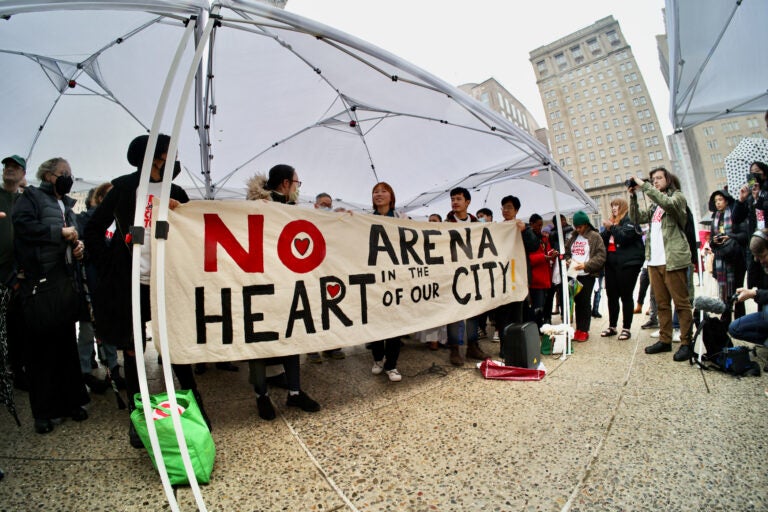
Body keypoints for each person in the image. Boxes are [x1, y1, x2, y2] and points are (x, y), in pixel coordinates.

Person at [83, 134, 209, 446]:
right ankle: (139, 417)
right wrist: (111, 264)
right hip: (131, 283)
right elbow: (93, 230)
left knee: (174, 344)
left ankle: (198, 406)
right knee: (133, 348)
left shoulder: (176, 191)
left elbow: (198, 230)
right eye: (169, 155)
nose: (174, 161)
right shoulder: (124, 188)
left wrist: (180, 213)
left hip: (167, 281)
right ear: (153, 158)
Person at [13, 157, 89, 434]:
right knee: (41, 351)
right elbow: (22, 227)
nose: (68, 177)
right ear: (47, 175)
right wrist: (58, 232)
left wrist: (78, 247)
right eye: (63, 173)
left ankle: (71, 402)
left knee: (65, 346)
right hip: (40, 283)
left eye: (70, 172)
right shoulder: (31, 197)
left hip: (64, 280)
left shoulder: (67, 206)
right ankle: (44, 412)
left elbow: (72, 237)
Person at [245, 164, 320, 419]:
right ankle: (261, 395)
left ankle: (295, 392)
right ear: (286, 184)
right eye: (298, 183)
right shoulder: (254, 207)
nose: (299, 188)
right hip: (260, 285)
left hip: (288, 284)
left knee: (292, 337)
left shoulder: (292, 211)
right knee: (258, 341)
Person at [628, 167, 693, 361]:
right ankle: (665, 340)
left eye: (658, 178)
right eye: (652, 179)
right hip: (654, 260)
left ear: (668, 179)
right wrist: (633, 197)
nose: (655, 181)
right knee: (662, 303)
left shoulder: (677, 198)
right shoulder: (654, 206)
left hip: (672, 259)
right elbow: (637, 218)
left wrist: (644, 185)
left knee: (681, 303)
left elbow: (667, 202)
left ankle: (686, 343)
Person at [76, 183, 121, 393]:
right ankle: (84, 372)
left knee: (109, 328)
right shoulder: (88, 219)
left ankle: (113, 369)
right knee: (87, 331)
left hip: (108, 283)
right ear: (101, 198)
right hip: (90, 283)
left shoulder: (117, 220)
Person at [444, 187, 489, 365]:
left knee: (473, 313)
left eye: (458, 199)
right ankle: (454, 348)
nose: (455, 202)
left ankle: (472, 346)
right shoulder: (444, 225)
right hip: (453, 276)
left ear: (467, 202)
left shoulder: (477, 225)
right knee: (454, 314)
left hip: (473, 275)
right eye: (452, 199)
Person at [368, 182, 406, 381]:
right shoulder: (365, 219)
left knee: (395, 324)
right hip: (375, 281)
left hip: (396, 279)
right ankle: (377, 358)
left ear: (391, 196)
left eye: (383, 191)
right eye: (375, 192)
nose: (379, 194)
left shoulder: (402, 219)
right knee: (376, 322)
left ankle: (391, 364)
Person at [305, 192, 346, 363]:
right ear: (315, 205)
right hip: (313, 274)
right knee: (312, 311)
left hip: (332, 272)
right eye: (323, 204)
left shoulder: (334, 223)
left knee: (332, 310)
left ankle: (332, 346)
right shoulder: (307, 220)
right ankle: (312, 348)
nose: (326, 207)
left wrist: (347, 218)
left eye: (329, 205)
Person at [599, 198, 645, 340]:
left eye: (617, 205)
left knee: (626, 295)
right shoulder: (612, 221)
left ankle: (626, 328)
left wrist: (611, 227)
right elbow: (603, 240)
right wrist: (609, 227)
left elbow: (624, 237)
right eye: (612, 205)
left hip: (628, 264)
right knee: (611, 296)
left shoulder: (629, 219)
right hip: (612, 263)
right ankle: (612, 326)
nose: (614, 208)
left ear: (623, 207)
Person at [1, 155, 27, 391]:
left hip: (18, 275)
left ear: (23, 174)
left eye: (15, 167)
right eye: (7, 166)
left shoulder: (25, 200)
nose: (9, 169)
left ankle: (17, 371)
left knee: (16, 325)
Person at [492, 195, 533, 344]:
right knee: (502, 315)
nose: (506, 210)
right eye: (504, 207)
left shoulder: (523, 227)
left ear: (516, 210)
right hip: (501, 278)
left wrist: (524, 231)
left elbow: (534, 245)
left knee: (517, 315)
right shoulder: (497, 228)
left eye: (509, 207)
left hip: (518, 278)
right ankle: (504, 347)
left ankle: (517, 346)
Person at [564, 211, 606, 342]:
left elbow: (601, 256)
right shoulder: (573, 237)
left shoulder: (595, 236)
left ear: (586, 224)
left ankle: (584, 329)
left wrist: (586, 265)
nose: (578, 229)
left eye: (580, 227)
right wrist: (568, 260)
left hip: (587, 274)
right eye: (576, 226)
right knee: (576, 301)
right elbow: (566, 252)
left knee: (584, 301)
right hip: (574, 274)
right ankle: (579, 328)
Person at [708, 188, 749, 319]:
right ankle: (725, 322)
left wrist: (729, 236)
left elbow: (744, 235)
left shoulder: (735, 214)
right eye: (715, 201)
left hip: (736, 259)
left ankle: (740, 320)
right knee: (724, 294)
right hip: (721, 259)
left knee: (738, 292)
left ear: (727, 201)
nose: (718, 203)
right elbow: (711, 241)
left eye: (720, 200)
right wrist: (713, 241)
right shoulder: (715, 217)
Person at [733, 161, 768, 311]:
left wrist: (759, 198)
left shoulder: (765, 192)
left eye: (757, 171)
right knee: (756, 283)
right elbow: (736, 218)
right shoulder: (749, 196)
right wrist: (741, 200)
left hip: (766, 244)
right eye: (751, 172)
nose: (754, 174)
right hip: (753, 245)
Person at [729, 228, 768, 347]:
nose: (761, 261)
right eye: (757, 257)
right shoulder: (761, 265)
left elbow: (759, 293)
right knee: (735, 328)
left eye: (763, 256)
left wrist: (754, 293)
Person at [526, 213, 554, 327]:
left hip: (545, 277)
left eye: (541, 225)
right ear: (531, 224)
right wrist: (544, 257)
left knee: (543, 304)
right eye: (538, 225)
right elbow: (528, 259)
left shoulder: (543, 238)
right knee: (537, 306)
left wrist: (552, 254)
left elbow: (547, 252)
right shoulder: (528, 239)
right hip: (535, 279)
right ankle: (536, 326)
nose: (540, 228)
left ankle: (541, 324)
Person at [547, 214, 573, 320]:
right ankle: (551, 314)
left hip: (567, 264)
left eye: (564, 220)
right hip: (556, 265)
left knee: (566, 291)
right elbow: (558, 233)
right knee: (554, 292)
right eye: (560, 221)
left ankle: (566, 313)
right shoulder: (553, 233)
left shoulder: (569, 232)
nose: (563, 222)